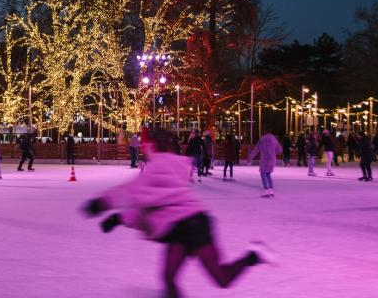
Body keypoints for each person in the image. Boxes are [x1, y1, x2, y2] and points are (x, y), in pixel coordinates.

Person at [83, 128, 269, 298]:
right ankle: (253, 256)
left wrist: (101, 203)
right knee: (168, 277)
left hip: (191, 225)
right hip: (178, 227)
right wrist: (120, 218)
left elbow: (131, 192)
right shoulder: (167, 165)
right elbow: (152, 206)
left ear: (150, 146)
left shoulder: (158, 167)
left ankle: (253, 255)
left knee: (221, 278)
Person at [248, 129, 282, 197]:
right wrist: (273, 152)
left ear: (263, 133)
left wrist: (250, 157)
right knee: (268, 174)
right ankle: (271, 190)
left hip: (265, 158)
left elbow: (256, 149)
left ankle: (266, 190)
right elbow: (280, 150)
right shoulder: (274, 138)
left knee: (263, 173)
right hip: (272, 158)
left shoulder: (262, 139)